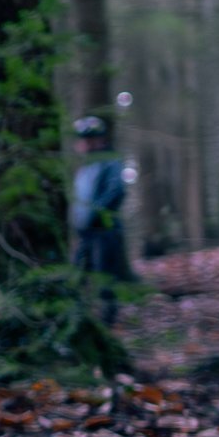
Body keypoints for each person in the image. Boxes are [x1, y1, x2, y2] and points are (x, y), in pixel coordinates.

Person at [70, 114, 131, 323]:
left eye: (89, 139)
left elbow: (116, 191)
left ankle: (108, 321)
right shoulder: (86, 166)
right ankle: (80, 317)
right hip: (86, 233)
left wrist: (96, 213)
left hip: (105, 232)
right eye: (82, 139)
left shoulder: (110, 161)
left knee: (104, 278)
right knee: (77, 275)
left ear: (100, 139)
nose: (84, 144)